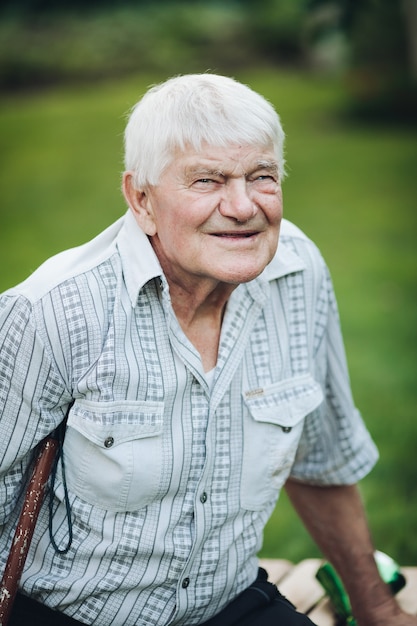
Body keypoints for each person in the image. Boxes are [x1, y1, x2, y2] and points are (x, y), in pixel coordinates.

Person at [0, 73, 415, 626]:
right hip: (74, 616)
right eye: (207, 181)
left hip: (229, 605)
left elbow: (324, 458)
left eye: (261, 176)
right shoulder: (52, 311)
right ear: (141, 199)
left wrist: (378, 608)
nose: (243, 206)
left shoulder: (296, 272)